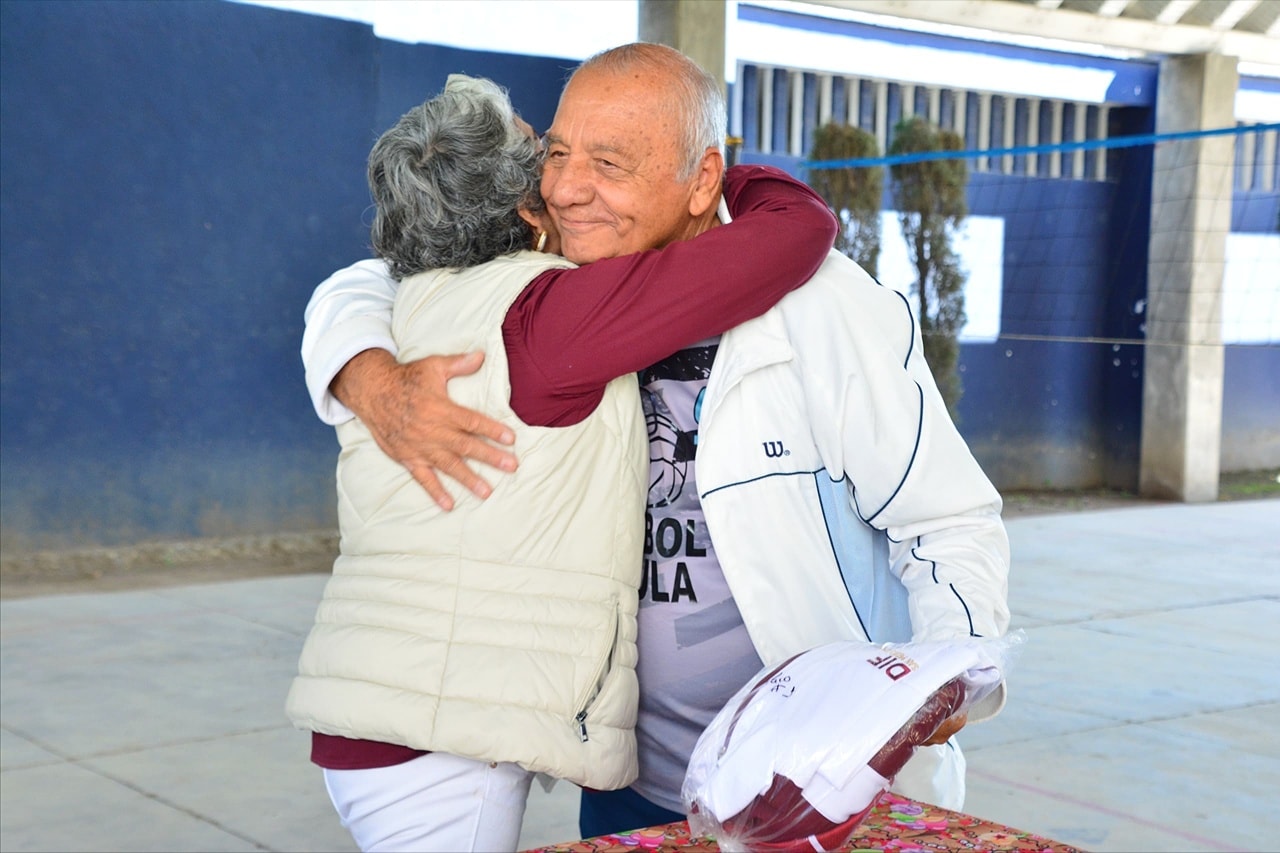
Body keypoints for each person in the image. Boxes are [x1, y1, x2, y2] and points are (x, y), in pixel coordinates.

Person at [302, 43, 1011, 840]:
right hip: (631, 782)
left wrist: (949, 675)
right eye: (558, 154)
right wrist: (361, 370)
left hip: (814, 785)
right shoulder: (547, 267)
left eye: (609, 162)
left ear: (703, 178)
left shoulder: (826, 309)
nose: (569, 189)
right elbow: (383, 276)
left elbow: (946, 517)